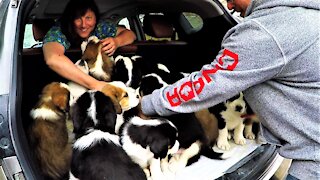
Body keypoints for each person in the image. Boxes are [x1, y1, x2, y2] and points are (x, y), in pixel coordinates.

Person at [140, 0, 320, 179]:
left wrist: (146, 104)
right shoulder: (303, 16)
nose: (230, 7)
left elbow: (210, 84)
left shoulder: (267, 31)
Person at [43, 0, 136, 91]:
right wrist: (96, 85)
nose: (83, 25)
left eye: (88, 18)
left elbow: (130, 34)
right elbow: (53, 59)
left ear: (96, 18)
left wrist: (117, 41)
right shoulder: (57, 32)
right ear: (70, 19)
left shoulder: (101, 27)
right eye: (77, 18)